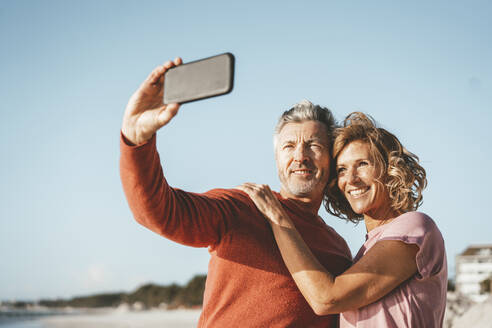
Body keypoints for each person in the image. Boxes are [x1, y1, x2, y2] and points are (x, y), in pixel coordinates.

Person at [119, 57, 352, 327]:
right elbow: (160, 213)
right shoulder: (242, 206)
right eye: (289, 146)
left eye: (313, 145)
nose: (300, 157)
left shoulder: (338, 250)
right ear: (277, 158)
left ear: (331, 160)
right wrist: (136, 139)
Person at [238, 112, 447, 327]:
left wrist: (277, 216)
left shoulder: (415, 228)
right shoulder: (361, 253)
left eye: (363, 164)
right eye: (342, 170)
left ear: (390, 169)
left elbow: (326, 299)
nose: (351, 179)